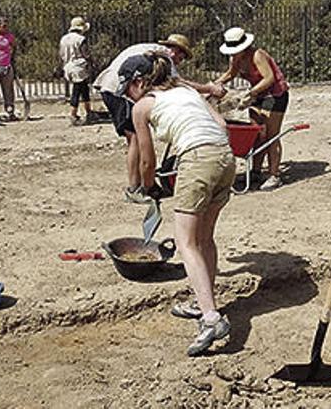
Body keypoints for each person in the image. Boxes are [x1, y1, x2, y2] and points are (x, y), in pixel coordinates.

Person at [120, 52, 235, 356]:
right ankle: (203, 302)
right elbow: (222, 126)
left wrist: (149, 188)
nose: (129, 97)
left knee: (186, 243)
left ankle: (211, 319)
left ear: (140, 82)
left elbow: (147, 159)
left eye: (128, 89)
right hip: (225, 157)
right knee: (204, 238)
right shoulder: (187, 91)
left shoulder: (143, 106)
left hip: (198, 160)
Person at [94, 34, 225, 203]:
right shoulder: (162, 59)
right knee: (134, 136)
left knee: (135, 136)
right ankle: (135, 188)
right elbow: (179, 83)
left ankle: (144, 183)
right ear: (175, 51)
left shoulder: (153, 52)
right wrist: (209, 89)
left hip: (111, 86)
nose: (180, 61)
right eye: (182, 57)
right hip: (117, 89)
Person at [214, 27, 289, 191]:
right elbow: (230, 74)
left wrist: (250, 93)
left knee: (271, 134)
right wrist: (215, 85)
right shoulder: (236, 59)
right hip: (258, 96)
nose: (233, 54)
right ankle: (255, 170)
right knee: (257, 132)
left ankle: (274, 174)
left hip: (274, 96)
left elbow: (269, 78)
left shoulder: (257, 55)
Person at [58, 16, 94, 125]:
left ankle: (89, 112)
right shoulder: (80, 39)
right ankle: (73, 114)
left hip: (68, 66)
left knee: (84, 90)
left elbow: (61, 54)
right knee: (77, 91)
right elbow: (85, 53)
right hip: (79, 67)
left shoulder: (64, 39)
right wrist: (92, 63)